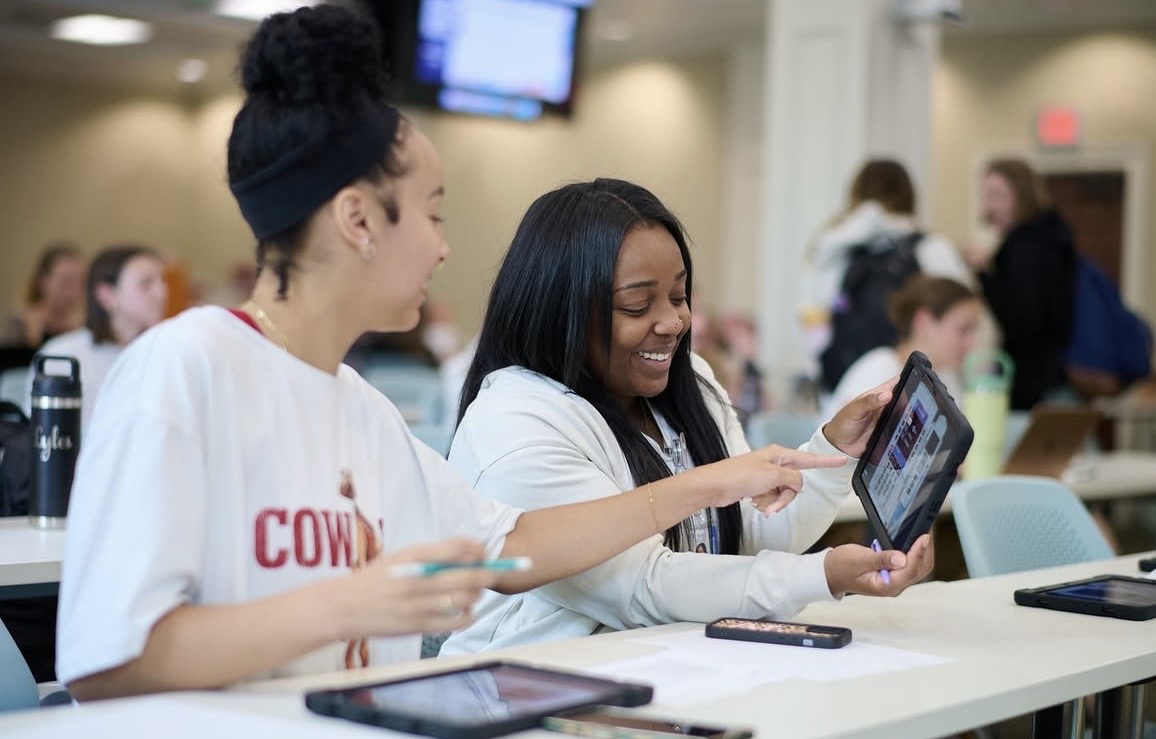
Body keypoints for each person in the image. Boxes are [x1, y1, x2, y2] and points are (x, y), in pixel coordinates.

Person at [56, 5, 841, 702]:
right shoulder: (186, 367)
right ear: (358, 220)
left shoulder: (360, 409)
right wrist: (347, 605)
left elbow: (520, 543)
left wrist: (706, 482)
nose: (443, 247)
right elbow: (108, 660)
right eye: (430, 214)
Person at [440, 178, 935, 656]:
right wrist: (821, 575)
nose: (673, 322)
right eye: (636, 305)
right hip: (525, 695)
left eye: (679, 296)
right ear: (560, 310)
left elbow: (750, 534)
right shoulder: (514, 424)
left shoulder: (688, 382)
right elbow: (645, 590)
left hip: (676, 672)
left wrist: (833, 452)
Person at [802, 159, 973, 371]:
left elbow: (813, 320)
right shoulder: (931, 248)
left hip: (843, 378)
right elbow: (963, 316)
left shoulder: (832, 246)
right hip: (912, 381)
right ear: (909, 196)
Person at [965, 158, 1077, 410]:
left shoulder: (1026, 247)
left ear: (1022, 196)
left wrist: (985, 274)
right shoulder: (1050, 238)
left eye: (998, 195)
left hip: (1033, 383)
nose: (989, 206)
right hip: (1049, 376)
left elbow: (1023, 321)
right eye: (986, 195)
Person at [28, 245, 168, 428]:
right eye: (146, 283)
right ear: (107, 295)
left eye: (162, 282)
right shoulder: (62, 357)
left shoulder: (162, 353)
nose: (162, 293)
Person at [822, 275, 983, 421]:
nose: (971, 343)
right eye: (963, 330)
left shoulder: (946, 378)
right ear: (924, 320)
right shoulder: (879, 369)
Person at [4, 244, 86, 348]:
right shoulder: (22, 323)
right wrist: (32, 338)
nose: (74, 292)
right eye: (65, 283)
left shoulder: (86, 325)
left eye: (81, 283)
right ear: (42, 282)